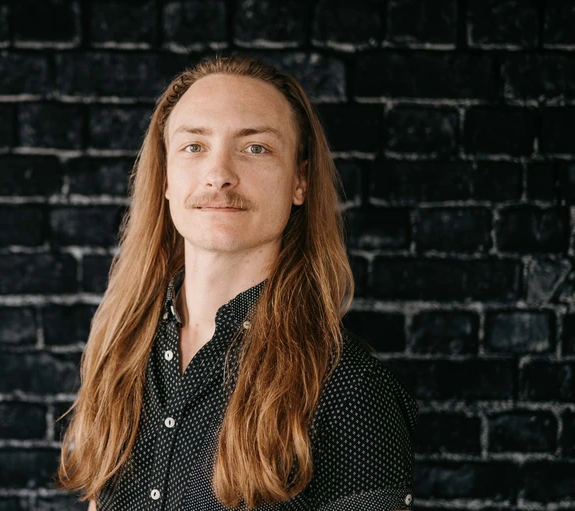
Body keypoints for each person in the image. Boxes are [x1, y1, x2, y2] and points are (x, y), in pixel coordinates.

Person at [55, 54, 419, 510]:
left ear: (299, 181)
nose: (220, 174)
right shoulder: (120, 350)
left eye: (255, 148)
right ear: (166, 177)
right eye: (194, 146)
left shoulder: (350, 389)